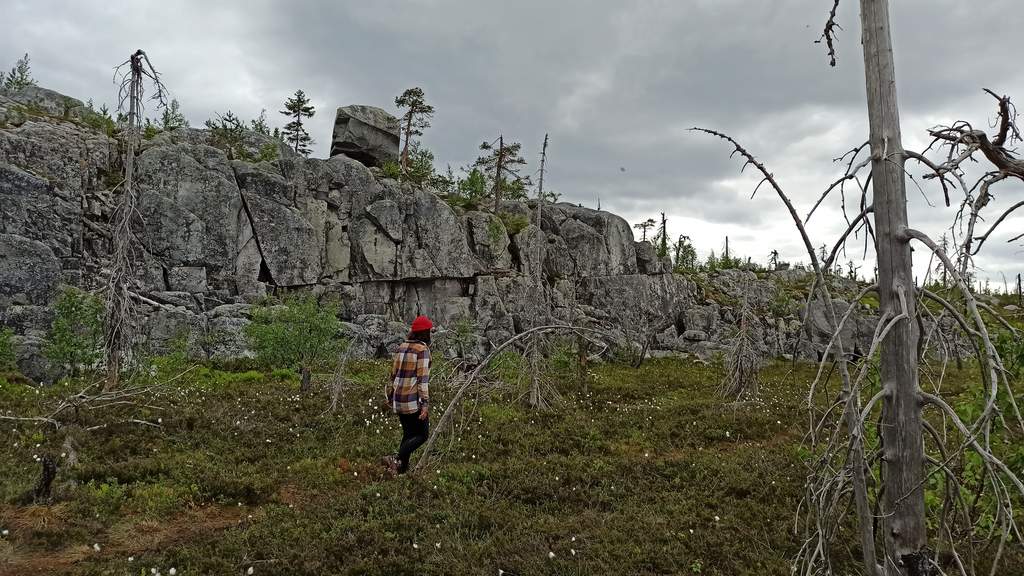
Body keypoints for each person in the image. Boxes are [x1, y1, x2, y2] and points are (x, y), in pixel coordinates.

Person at [383, 315, 432, 475]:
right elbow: (422, 379)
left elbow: (393, 375)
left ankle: (401, 469)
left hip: (398, 399)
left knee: (409, 434)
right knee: (423, 435)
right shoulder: (422, 350)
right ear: (426, 333)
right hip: (412, 401)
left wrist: (390, 397)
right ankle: (396, 458)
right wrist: (425, 404)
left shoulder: (402, 347)